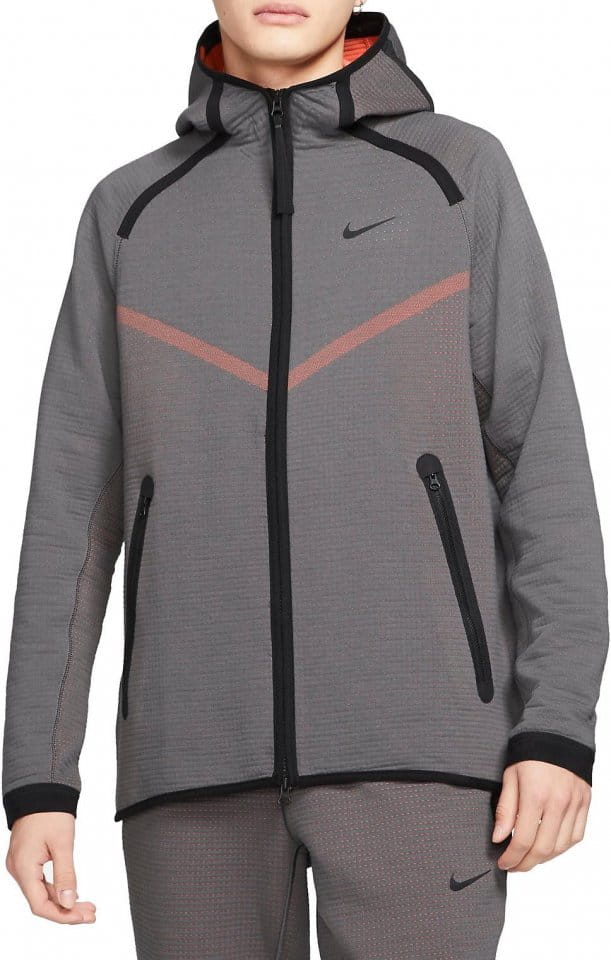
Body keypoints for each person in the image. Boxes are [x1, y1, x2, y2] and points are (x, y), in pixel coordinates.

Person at [3, 1, 608, 957]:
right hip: (189, 768)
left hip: (426, 758)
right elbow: (70, 514)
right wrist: (38, 778)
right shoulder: (130, 211)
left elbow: (542, 466)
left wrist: (556, 726)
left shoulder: (456, 174)